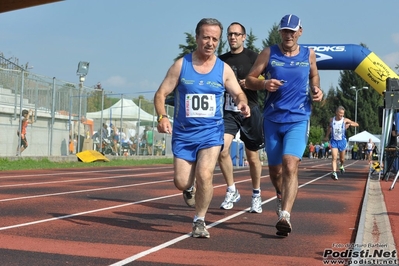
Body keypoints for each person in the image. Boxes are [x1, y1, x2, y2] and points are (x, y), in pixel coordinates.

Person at [153, 18, 250, 238]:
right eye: (206, 37)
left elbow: (237, 92)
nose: (210, 42)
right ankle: (188, 189)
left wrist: (242, 101)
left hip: (211, 133)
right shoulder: (181, 65)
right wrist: (162, 117)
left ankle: (199, 221)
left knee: (205, 174)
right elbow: (161, 94)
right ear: (197, 37)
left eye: (215, 39)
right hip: (185, 134)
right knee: (182, 181)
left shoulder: (223, 69)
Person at [245, 14, 323, 237]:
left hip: (298, 118)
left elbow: (314, 76)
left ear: (300, 31)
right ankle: (280, 195)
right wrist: (264, 83)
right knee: (275, 170)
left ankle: (285, 216)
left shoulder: (308, 54)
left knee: (290, 164)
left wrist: (316, 89)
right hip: (272, 119)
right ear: (280, 32)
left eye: (292, 31)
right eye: (284, 31)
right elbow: (250, 79)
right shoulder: (269, 53)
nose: (288, 35)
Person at [214, 22, 264, 213]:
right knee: (221, 149)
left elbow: (265, 80)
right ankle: (232, 189)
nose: (232, 37)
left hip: (250, 110)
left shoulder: (254, 57)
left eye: (236, 34)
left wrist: (253, 82)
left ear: (243, 36)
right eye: (229, 34)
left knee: (252, 157)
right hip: (229, 111)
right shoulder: (221, 60)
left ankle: (256, 194)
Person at [325, 106, 359, 180]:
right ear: (336, 112)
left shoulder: (344, 120)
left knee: (342, 159)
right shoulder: (332, 120)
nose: (341, 115)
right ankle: (334, 172)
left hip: (342, 141)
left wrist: (350, 124)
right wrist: (327, 136)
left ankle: (342, 165)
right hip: (334, 141)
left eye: (342, 114)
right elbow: (329, 128)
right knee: (334, 158)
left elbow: (356, 124)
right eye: (340, 114)